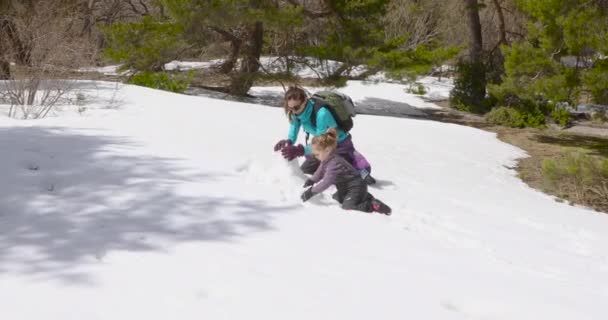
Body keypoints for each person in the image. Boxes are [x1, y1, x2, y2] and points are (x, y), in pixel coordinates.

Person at [273, 86, 376, 184]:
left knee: (335, 175)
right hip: (321, 147)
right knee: (306, 170)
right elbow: (294, 127)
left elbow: (322, 143)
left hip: (339, 143)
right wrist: (289, 141)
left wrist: (301, 150)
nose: (293, 111)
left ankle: (359, 166)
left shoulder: (322, 114)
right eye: (290, 107)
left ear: (305, 101)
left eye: (296, 107)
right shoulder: (295, 112)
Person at [300, 128, 391, 215]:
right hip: (345, 188)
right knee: (336, 197)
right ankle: (366, 197)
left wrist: (312, 192)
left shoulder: (334, 164)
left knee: (347, 206)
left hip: (356, 186)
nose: (315, 157)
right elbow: (320, 172)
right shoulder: (327, 158)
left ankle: (371, 206)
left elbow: (326, 182)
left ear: (327, 150)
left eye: (317, 154)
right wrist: (311, 180)